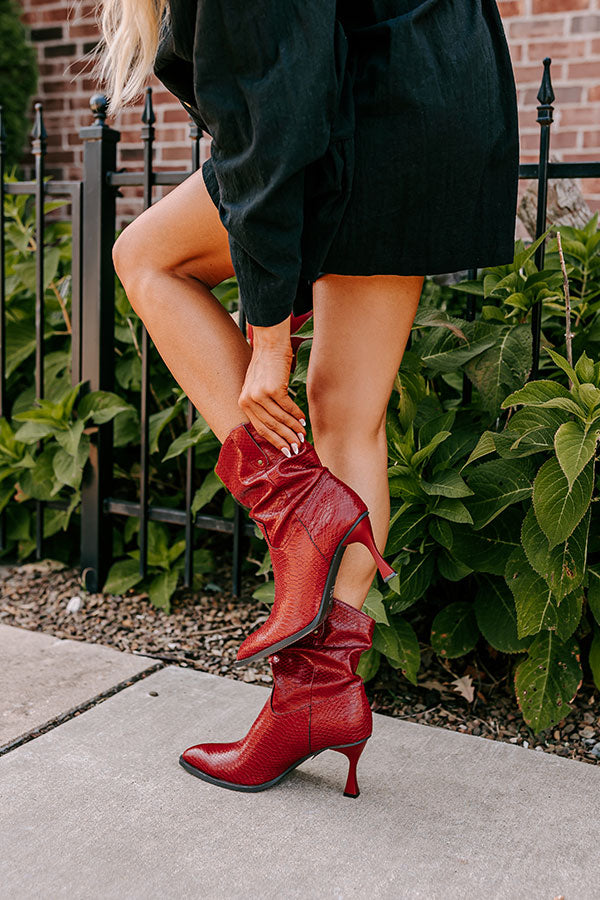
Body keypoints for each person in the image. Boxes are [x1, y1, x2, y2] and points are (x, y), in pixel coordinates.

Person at [94, 0, 520, 796]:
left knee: (148, 257)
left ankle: (298, 509)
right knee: (346, 415)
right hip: (421, 102)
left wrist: (266, 337)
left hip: (365, 116)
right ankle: (317, 698)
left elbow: (274, 113)